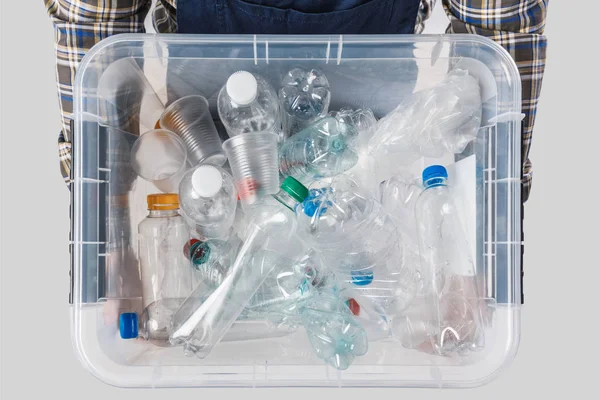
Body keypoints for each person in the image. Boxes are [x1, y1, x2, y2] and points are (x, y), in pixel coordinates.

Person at [44, 0, 548, 202]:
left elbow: (500, 27)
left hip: (376, 177)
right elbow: (98, 22)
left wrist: (483, 228)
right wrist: (107, 242)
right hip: (203, 175)